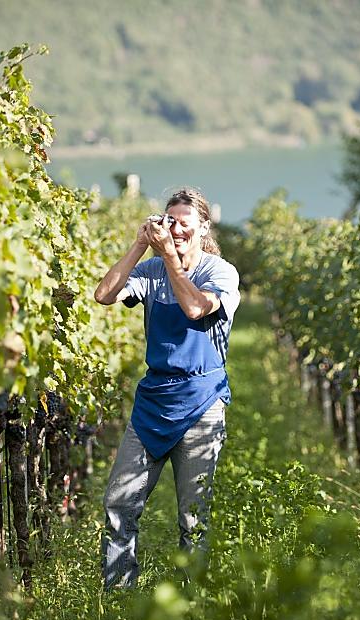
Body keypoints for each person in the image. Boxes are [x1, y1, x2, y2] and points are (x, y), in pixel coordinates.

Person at [94, 187, 240, 590]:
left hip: (201, 403)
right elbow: (104, 295)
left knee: (193, 515)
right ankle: (119, 591)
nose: (175, 230)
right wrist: (139, 245)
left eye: (184, 223)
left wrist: (170, 259)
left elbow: (195, 308)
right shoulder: (151, 270)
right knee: (119, 502)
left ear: (204, 228)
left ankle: (190, 598)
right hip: (153, 402)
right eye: (169, 221)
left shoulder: (220, 273)